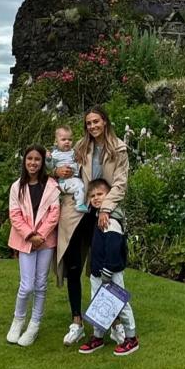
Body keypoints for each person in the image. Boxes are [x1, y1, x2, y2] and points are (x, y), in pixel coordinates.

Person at [55, 106, 129, 346]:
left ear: (105, 122)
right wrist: (57, 170)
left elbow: (120, 183)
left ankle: (115, 321)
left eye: (96, 121)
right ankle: (76, 321)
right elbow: (60, 162)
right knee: (74, 266)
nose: (92, 126)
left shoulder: (118, 148)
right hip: (79, 211)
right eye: (88, 123)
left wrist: (106, 207)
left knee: (106, 268)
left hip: (103, 209)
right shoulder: (80, 147)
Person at [6, 145, 60, 347]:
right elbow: (15, 215)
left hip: (46, 242)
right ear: (24, 161)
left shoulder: (52, 185)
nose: (33, 163)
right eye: (30, 159)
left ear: (43, 162)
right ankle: (18, 320)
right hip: (25, 240)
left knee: (40, 284)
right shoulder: (17, 187)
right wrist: (30, 235)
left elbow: (54, 213)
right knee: (26, 285)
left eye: (37, 159)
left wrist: (41, 235)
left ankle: (34, 323)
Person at [78, 177, 139, 356]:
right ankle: (98, 336)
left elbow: (113, 248)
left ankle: (131, 337)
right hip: (97, 271)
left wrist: (107, 271)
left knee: (119, 303)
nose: (96, 198)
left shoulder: (110, 220)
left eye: (100, 194)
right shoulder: (99, 216)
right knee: (98, 303)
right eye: (93, 195)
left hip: (110, 271)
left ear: (109, 196)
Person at [49, 125, 89, 212]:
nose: (67, 142)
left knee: (81, 185)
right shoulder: (55, 154)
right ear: (56, 142)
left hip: (74, 178)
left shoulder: (73, 152)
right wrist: (48, 160)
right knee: (80, 186)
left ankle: (79, 199)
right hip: (64, 180)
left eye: (70, 140)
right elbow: (49, 166)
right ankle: (79, 204)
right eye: (63, 140)